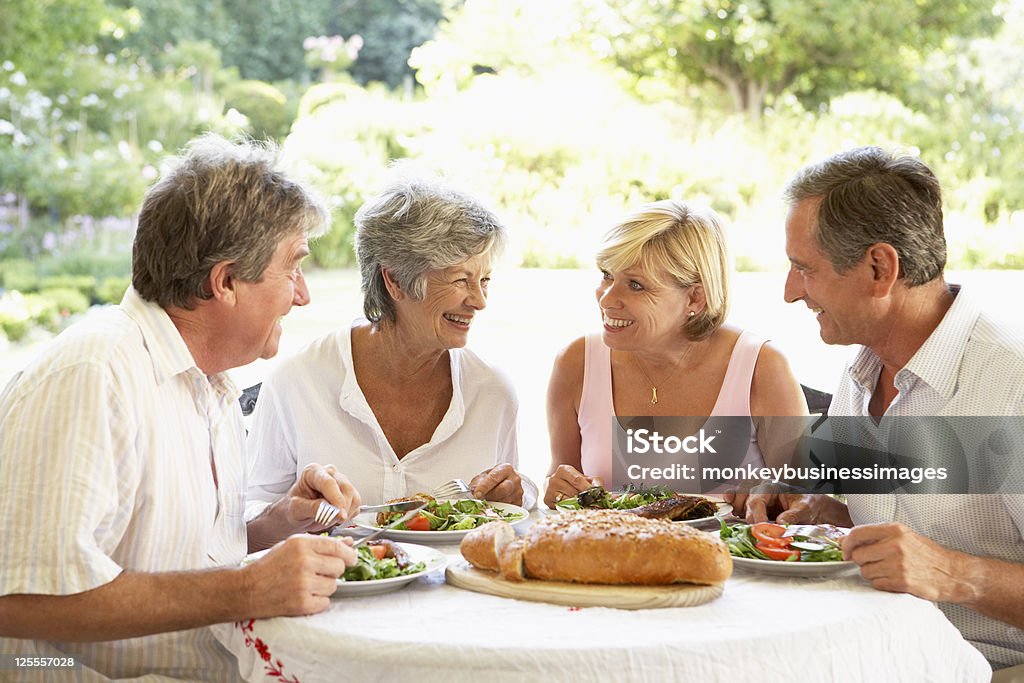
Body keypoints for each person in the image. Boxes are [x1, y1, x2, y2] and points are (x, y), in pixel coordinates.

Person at [0, 134, 363, 682]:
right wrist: (245, 589)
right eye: (292, 268)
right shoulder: (95, 373)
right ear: (225, 283)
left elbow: (175, 552)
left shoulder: (206, 380)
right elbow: (20, 599)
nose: (304, 294)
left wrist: (278, 525)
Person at [741, 146, 1024, 670]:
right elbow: (920, 529)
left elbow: (938, 560)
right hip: (879, 658)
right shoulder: (862, 370)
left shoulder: (1012, 383)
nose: (789, 292)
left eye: (804, 269)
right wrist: (831, 516)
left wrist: (951, 573)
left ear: (879, 267)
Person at [246, 172, 536, 512]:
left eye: (484, 280)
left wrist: (519, 494)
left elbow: (511, 514)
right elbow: (251, 511)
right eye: (461, 280)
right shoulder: (298, 381)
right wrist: (292, 511)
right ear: (395, 280)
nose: (479, 300)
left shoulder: (492, 393)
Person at [544, 199, 808, 508]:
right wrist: (557, 491)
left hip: (728, 555)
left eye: (636, 285)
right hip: (613, 552)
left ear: (695, 297)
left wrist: (772, 497)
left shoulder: (761, 367)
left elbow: (803, 504)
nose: (607, 299)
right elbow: (562, 486)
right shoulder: (576, 363)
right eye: (606, 275)